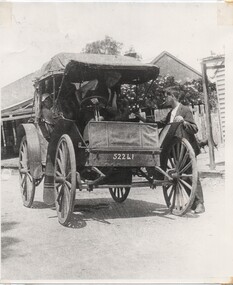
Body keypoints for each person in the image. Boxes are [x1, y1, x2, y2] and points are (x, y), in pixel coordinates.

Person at [136, 86, 205, 214]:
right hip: (175, 149)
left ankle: (200, 204)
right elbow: (159, 124)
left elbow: (194, 128)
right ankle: (193, 203)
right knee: (184, 177)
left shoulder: (184, 110)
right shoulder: (171, 112)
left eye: (166, 96)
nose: (165, 99)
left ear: (172, 96)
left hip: (185, 148)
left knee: (191, 175)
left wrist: (183, 122)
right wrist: (142, 119)